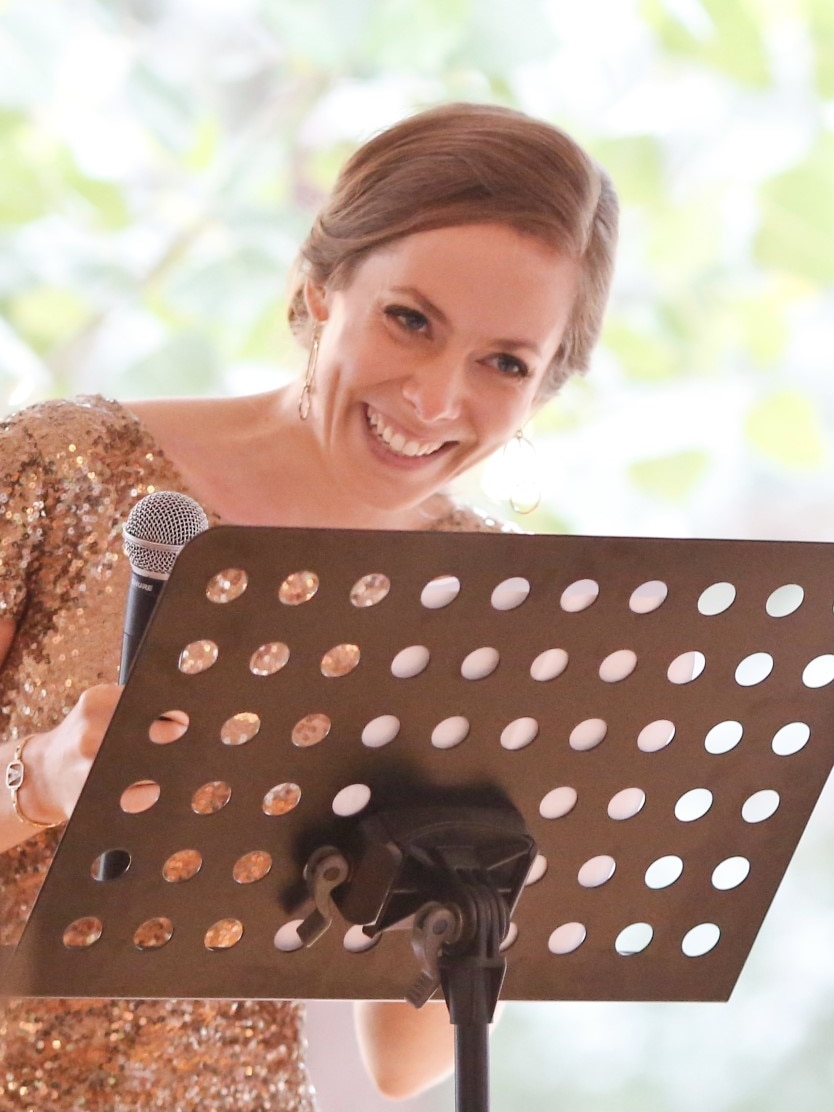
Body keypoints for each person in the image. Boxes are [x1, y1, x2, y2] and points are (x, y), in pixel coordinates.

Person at [0, 101, 618, 1109]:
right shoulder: (61, 468)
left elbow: (402, 1059)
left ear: (546, 384)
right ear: (324, 285)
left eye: (504, 362)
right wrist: (36, 780)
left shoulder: (488, 603)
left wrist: (491, 873)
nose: (433, 397)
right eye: (410, 320)